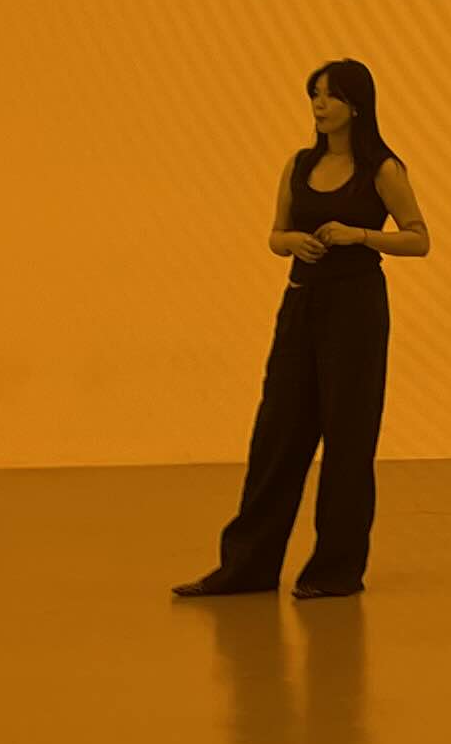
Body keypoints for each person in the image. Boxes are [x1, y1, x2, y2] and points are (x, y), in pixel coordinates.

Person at [176, 61, 428, 602]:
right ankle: (247, 567)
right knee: (277, 434)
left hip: (356, 311)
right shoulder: (298, 164)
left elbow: (418, 238)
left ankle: (335, 570)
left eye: (330, 96)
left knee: (347, 439)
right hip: (301, 305)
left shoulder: (382, 169)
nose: (319, 105)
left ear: (355, 105)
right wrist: (291, 243)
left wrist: (360, 236)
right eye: (314, 94)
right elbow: (276, 233)